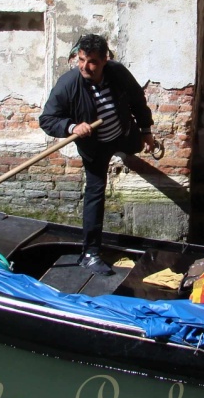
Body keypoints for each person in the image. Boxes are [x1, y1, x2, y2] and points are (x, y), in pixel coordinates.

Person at [38, 33, 157, 276]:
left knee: (135, 145)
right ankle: (90, 254)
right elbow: (47, 119)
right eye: (81, 60)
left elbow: (137, 99)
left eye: (92, 61)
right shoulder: (68, 84)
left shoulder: (117, 72)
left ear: (105, 60)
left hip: (123, 134)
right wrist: (72, 127)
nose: (85, 66)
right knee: (95, 192)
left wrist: (146, 132)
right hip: (95, 147)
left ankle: (128, 149)